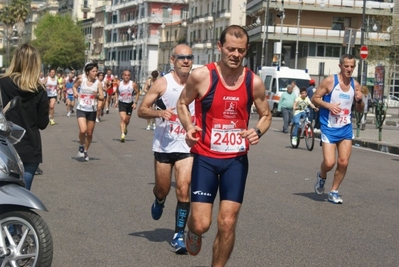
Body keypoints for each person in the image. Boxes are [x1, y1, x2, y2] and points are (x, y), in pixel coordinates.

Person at [177, 25, 272, 266]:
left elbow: (266, 114)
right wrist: (189, 127)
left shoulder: (254, 82)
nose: (235, 54)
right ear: (220, 47)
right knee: (201, 223)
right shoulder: (202, 76)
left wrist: (257, 130)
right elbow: (182, 104)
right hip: (206, 158)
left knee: (228, 222)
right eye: (230, 49)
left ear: (246, 50)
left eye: (240, 50)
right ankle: (193, 231)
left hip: (235, 161)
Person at [137, 44, 195, 254]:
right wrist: (159, 114)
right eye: (181, 57)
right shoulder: (162, 83)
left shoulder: (197, 82)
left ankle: (178, 235)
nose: (186, 61)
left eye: (189, 57)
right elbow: (141, 110)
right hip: (163, 146)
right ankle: (159, 200)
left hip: (186, 146)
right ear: (173, 60)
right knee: (163, 188)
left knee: (182, 189)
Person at [311, 54, 363, 204]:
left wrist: (359, 100)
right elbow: (315, 98)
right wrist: (329, 105)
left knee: (344, 162)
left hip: (345, 127)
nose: (349, 69)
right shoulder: (330, 81)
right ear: (340, 66)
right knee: (329, 163)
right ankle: (321, 176)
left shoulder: (355, 85)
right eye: (346, 66)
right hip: (329, 127)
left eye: (352, 66)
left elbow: (359, 110)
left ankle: (333, 191)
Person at [0, 43, 49, 190]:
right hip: (29, 147)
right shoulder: (39, 89)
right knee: (22, 195)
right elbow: (42, 123)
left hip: (4, 146)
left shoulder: (2, 83)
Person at [72, 62, 104, 161]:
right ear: (88, 72)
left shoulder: (98, 83)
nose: (96, 73)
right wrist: (76, 92)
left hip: (92, 110)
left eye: (96, 71)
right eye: (93, 71)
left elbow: (102, 97)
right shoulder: (82, 80)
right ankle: (81, 146)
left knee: (89, 133)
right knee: (83, 130)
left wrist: (97, 95)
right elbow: (74, 86)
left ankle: (85, 150)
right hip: (81, 108)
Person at [115, 70, 139, 142]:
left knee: (127, 120)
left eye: (128, 75)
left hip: (130, 103)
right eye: (125, 75)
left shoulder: (133, 84)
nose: (126, 76)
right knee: (123, 118)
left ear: (130, 76)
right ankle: (122, 134)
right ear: (122, 76)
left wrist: (135, 103)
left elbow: (138, 93)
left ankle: (125, 128)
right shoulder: (119, 84)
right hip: (122, 103)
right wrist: (116, 101)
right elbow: (116, 92)